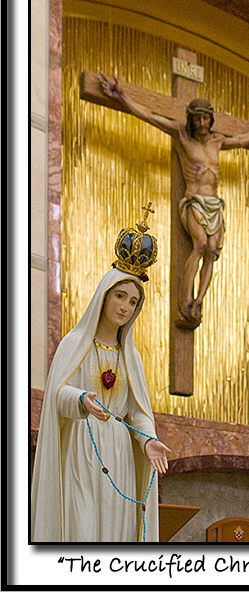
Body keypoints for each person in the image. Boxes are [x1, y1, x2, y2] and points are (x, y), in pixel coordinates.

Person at [31, 213, 171, 542]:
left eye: (133, 301)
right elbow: (57, 396)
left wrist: (147, 440)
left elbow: (136, 411)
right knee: (82, 525)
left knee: (115, 530)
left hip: (120, 453)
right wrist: (81, 400)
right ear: (104, 296)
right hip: (82, 444)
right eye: (120, 296)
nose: (125, 307)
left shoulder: (131, 357)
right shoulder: (74, 344)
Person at [98, 75, 249, 328]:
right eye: (197, 118)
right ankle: (185, 299)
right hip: (194, 201)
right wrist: (121, 97)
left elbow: (241, 140)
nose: (202, 123)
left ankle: (199, 300)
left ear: (211, 119)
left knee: (212, 251)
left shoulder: (217, 140)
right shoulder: (181, 135)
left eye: (205, 118)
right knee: (200, 244)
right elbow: (150, 116)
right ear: (190, 119)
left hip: (215, 204)